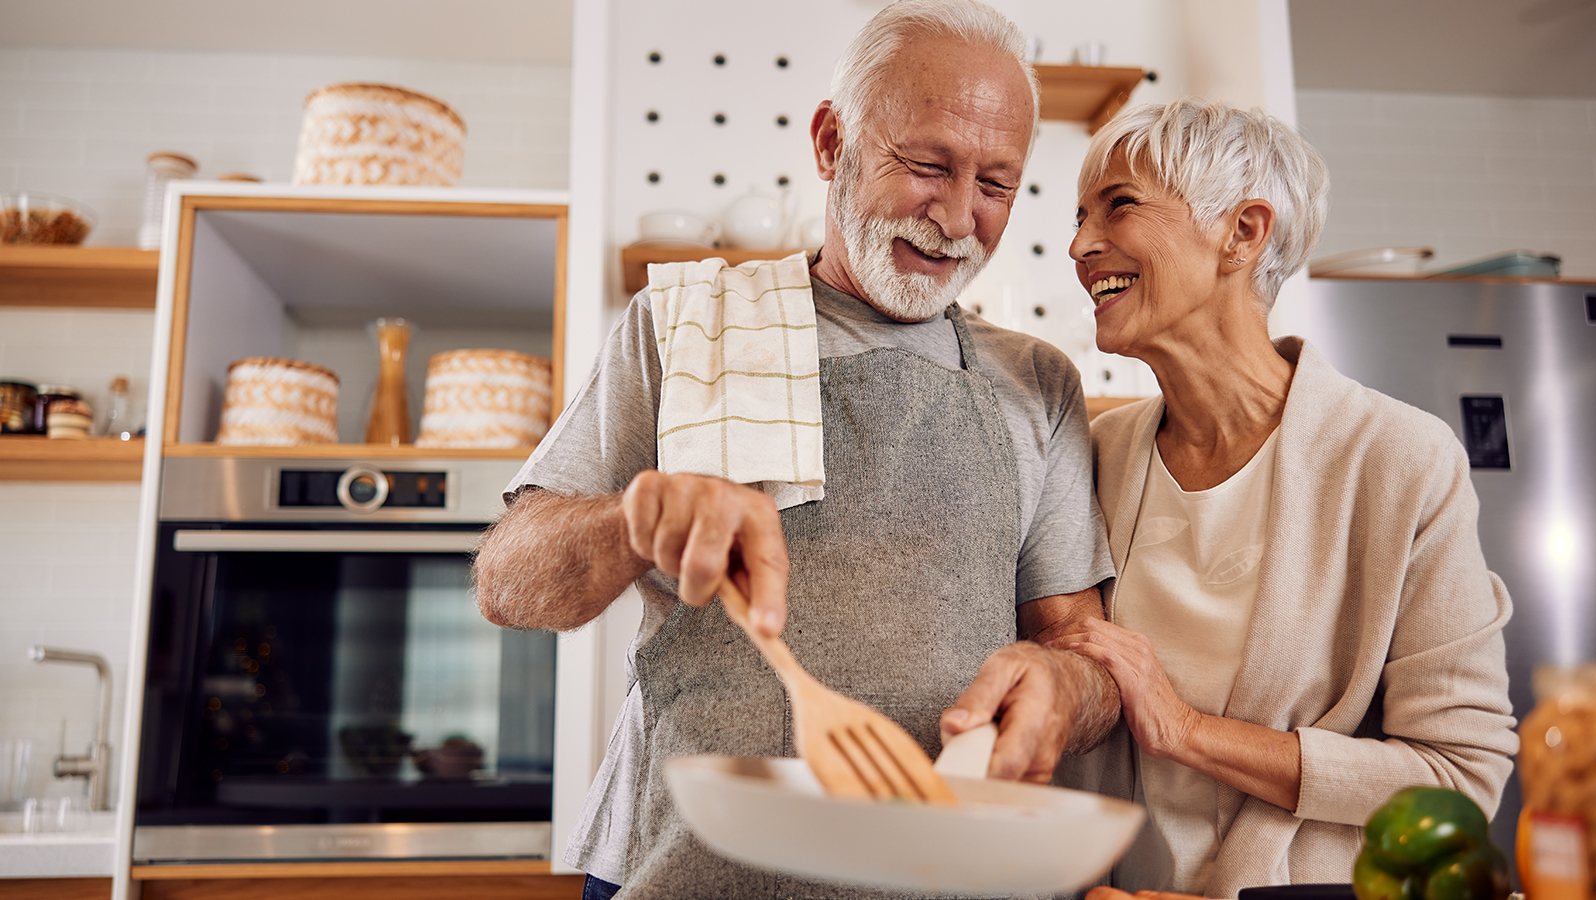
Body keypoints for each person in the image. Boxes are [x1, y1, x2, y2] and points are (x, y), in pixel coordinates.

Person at [472, 2, 1121, 898]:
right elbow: (508, 584)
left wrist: (1065, 686)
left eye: (997, 185)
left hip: (944, 877)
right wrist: (632, 521)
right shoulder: (684, 328)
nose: (960, 218)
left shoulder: (1038, 383)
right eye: (927, 165)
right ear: (830, 143)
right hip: (684, 868)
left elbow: (1086, 653)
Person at [1055, 98, 1519, 898]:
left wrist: (1189, 731)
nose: (1080, 245)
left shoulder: (1399, 461)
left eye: (1119, 205)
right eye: (1079, 216)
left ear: (1243, 232)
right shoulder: (1097, 456)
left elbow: (1456, 781)